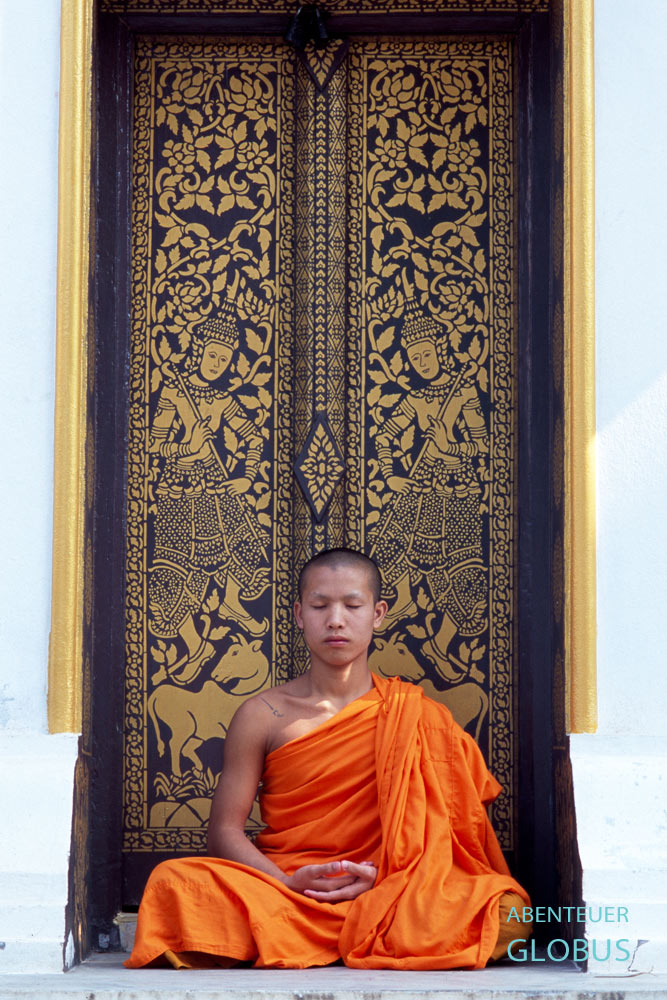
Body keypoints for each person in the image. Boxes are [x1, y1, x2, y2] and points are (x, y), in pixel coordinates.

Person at [126, 548, 532, 970]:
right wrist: (286, 881)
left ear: (377, 614)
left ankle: (333, 932)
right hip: (288, 889)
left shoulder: (419, 716)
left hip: (391, 887)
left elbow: (445, 844)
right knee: (175, 884)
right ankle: (365, 935)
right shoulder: (263, 714)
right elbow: (224, 831)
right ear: (300, 615)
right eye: (320, 606)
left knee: (508, 916)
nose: (335, 620)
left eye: (352, 606)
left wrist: (389, 876)